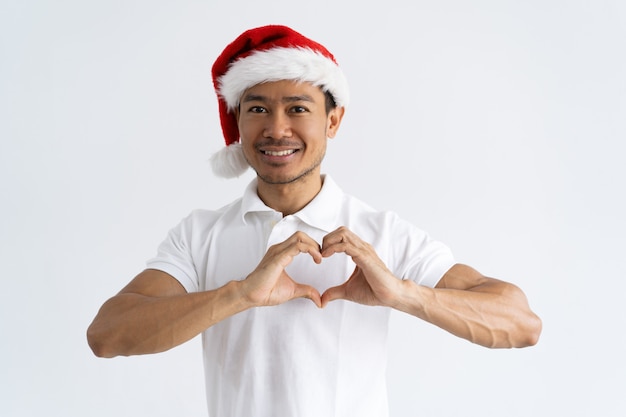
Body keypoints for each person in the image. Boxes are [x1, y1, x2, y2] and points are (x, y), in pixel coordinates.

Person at [87, 24, 542, 417]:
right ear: (238, 122)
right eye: (258, 108)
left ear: (333, 120)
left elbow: (521, 323)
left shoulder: (381, 233)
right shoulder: (199, 234)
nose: (276, 129)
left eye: (298, 108)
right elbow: (107, 334)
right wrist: (239, 294)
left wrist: (402, 293)